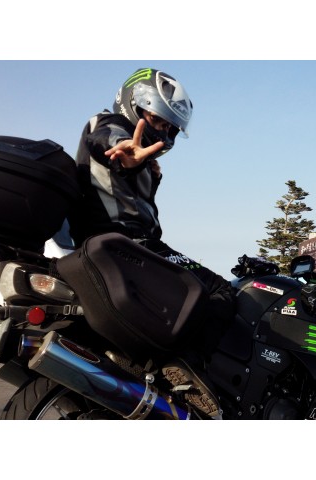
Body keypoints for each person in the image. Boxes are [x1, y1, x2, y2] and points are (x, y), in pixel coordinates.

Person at [68, 67, 235, 418]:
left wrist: (145, 173)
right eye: (158, 120)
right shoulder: (107, 125)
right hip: (127, 245)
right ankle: (188, 368)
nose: (164, 132)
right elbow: (108, 141)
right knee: (221, 290)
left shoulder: (147, 164)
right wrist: (126, 156)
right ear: (134, 105)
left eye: (170, 127)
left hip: (126, 246)